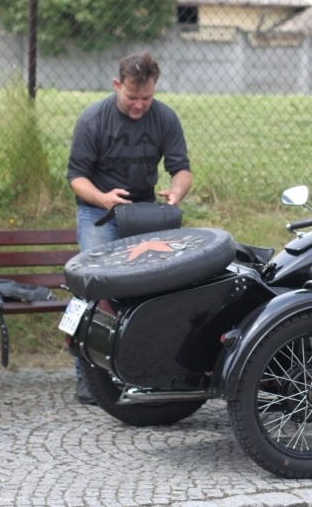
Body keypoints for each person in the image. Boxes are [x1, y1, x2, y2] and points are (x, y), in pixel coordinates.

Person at [66, 51, 192, 403]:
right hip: (99, 213)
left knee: (154, 288)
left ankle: (146, 370)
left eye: (146, 98)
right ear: (117, 85)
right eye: (132, 97)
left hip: (144, 212)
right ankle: (87, 377)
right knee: (92, 289)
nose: (139, 105)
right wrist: (103, 198)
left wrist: (176, 191)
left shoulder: (165, 118)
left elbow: (181, 168)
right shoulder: (93, 120)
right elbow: (76, 177)